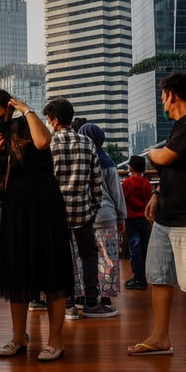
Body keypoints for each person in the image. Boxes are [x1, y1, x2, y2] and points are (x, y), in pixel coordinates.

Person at [127, 71, 186, 365]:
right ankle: (160, 338)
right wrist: (156, 193)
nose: (162, 102)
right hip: (166, 216)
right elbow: (174, 170)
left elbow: (165, 158)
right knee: (159, 277)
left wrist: (152, 153)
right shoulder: (180, 127)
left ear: (171, 95)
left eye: (163, 96)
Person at [0, 88, 73, 360]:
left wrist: (26, 109)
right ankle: (18, 336)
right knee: (16, 270)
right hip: (15, 205)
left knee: (52, 269)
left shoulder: (25, 123)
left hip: (44, 202)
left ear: (8, 108)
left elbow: (43, 142)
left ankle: (56, 340)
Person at [43, 99, 117, 319]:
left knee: (61, 257)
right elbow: (96, 182)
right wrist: (93, 209)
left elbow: (45, 181)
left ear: (55, 121)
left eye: (48, 120)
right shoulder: (87, 143)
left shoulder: (48, 145)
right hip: (83, 213)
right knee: (89, 255)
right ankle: (92, 302)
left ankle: (68, 304)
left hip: (56, 214)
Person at [78, 122, 126, 305]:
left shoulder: (79, 160)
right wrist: (121, 217)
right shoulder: (108, 163)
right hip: (106, 217)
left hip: (82, 216)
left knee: (82, 257)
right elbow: (117, 193)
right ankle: (105, 295)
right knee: (107, 257)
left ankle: (83, 293)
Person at [122, 155, 153, 290]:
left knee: (134, 249)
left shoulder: (127, 183)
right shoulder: (147, 183)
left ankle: (138, 278)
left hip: (131, 220)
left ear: (130, 168)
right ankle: (143, 276)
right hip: (144, 219)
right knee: (143, 248)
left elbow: (122, 200)